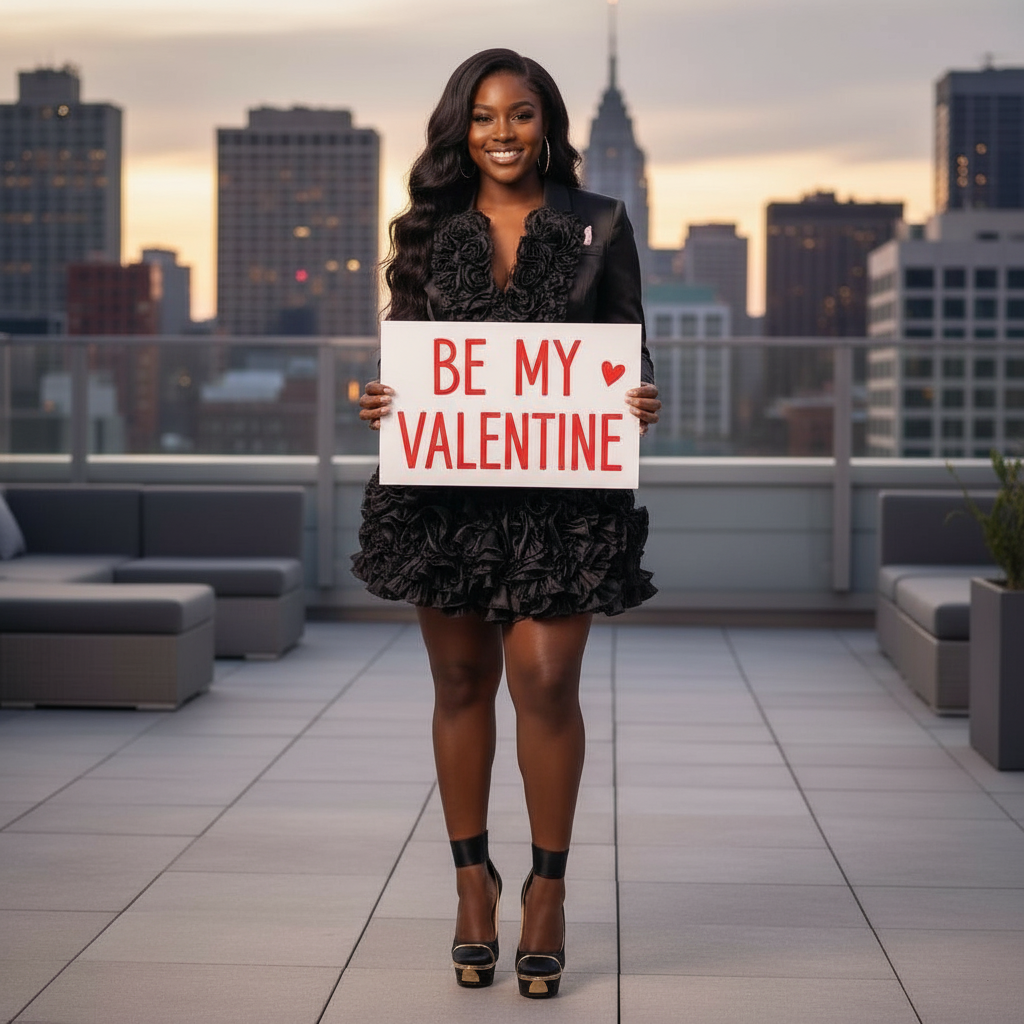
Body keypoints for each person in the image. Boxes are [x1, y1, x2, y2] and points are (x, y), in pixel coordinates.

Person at [352, 48, 660, 998]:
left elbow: (629, 346)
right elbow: (409, 354)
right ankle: (471, 885)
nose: (502, 133)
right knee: (459, 681)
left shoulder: (601, 222)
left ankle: (548, 892)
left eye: (520, 114)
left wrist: (642, 397)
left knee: (548, 680)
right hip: (445, 494)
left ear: (547, 124)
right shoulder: (427, 226)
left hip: (562, 497)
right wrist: (379, 400)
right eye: (484, 116)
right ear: (462, 127)